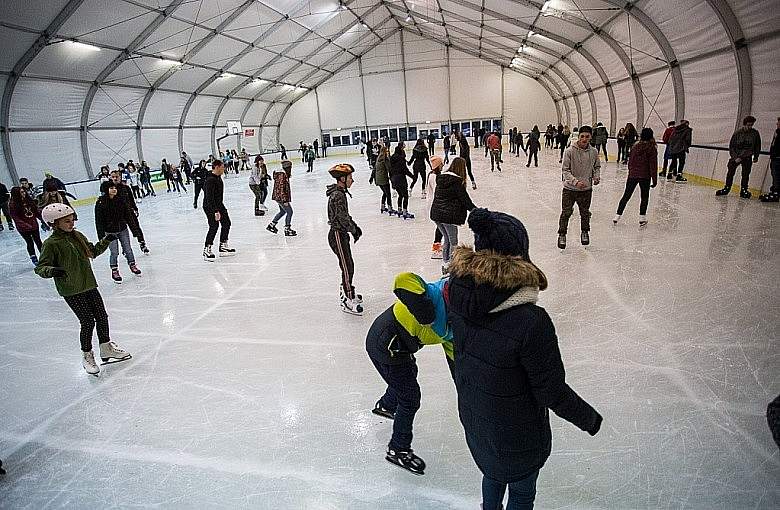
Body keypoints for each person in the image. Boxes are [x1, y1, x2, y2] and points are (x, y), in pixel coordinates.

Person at [446, 208, 602, 510]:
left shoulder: (460, 299)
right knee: (521, 492)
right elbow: (551, 391)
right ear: (520, 257)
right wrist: (589, 419)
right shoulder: (531, 322)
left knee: (491, 474)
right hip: (519, 438)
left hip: (478, 424)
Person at [366, 272, 454, 476]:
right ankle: (398, 449)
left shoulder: (455, 324)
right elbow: (403, 279)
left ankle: (386, 405)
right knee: (410, 397)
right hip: (385, 344)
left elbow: (454, 354)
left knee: (407, 377)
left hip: (398, 345)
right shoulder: (435, 294)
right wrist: (425, 313)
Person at [35, 203, 131, 376]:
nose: (71, 224)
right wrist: (52, 271)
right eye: (66, 221)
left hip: (89, 285)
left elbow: (92, 252)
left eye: (72, 220)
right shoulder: (51, 244)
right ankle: (87, 355)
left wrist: (106, 241)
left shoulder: (77, 236)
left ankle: (106, 347)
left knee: (102, 316)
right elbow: (41, 268)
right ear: (54, 223)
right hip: (71, 289)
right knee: (87, 321)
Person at [327, 163, 363, 315]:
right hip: (337, 234)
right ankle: (347, 297)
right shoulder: (338, 195)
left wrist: (354, 226)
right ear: (342, 178)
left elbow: (344, 216)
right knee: (346, 266)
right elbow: (342, 218)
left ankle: (349, 290)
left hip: (341, 234)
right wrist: (353, 229)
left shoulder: (340, 193)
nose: (352, 181)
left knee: (349, 264)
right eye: (350, 177)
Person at [430, 157, 476, 275]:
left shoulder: (442, 178)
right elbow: (466, 201)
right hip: (448, 216)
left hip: (436, 214)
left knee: (447, 240)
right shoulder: (456, 182)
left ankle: (445, 264)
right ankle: (451, 267)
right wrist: (476, 211)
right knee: (453, 242)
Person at [557, 125, 601, 249]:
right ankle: (562, 234)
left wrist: (596, 177)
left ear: (591, 137)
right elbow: (565, 170)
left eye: (587, 137)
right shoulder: (569, 151)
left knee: (585, 213)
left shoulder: (594, 152)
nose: (584, 139)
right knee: (566, 212)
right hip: (569, 189)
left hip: (586, 190)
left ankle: (585, 232)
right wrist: (575, 182)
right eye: (582, 136)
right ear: (578, 137)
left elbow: (597, 167)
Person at [95, 182, 142, 283]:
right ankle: (114, 270)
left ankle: (132, 265)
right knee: (114, 252)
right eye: (111, 188)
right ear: (105, 190)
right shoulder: (100, 203)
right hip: (109, 232)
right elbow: (99, 221)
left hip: (122, 229)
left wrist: (134, 230)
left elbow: (128, 216)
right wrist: (102, 237)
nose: (114, 190)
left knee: (128, 249)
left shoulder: (120, 200)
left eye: (114, 188)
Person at [614, 128, 658, 226]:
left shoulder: (635, 146)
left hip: (633, 175)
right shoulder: (652, 148)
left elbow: (631, 161)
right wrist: (654, 179)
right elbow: (653, 165)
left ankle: (617, 215)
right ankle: (642, 218)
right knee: (644, 197)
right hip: (645, 176)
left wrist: (631, 172)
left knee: (626, 196)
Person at [103, 170, 149, 255]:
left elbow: (131, 199)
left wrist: (135, 209)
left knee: (136, 227)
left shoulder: (126, 188)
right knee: (122, 232)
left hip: (129, 212)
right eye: (113, 177)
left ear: (120, 177)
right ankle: (125, 248)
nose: (115, 178)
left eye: (117, 176)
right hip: (118, 215)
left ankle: (142, 243)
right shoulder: (109, 189)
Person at [717, 115, 762, 198]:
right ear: (744, 124)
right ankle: (727, 187)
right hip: (736, 157)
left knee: (745, 174)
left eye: (751, 125)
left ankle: (744, 189)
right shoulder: (737, 133)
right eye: (748, 125)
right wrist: (735, 157)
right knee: (730, 172)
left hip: (747, 157)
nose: (749, 127)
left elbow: (757, 146)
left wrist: (756, 156)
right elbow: (731, 146)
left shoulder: (755, 133)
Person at [201, 160, 235, 260]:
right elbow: (209, 197)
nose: (224, 168)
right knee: (214, 226)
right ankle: (207, 249)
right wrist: (215, 211)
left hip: (219, 205)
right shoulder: (210, 180)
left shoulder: (218, 178)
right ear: (216, 167)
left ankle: (223, 246)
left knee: (226, 223)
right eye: (222, 167)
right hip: (209, 206)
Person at [9, 186, 42, 265]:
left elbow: (36, 211)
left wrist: (42, 220)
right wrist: (25, 225)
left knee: (38, 241)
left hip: (33, 225)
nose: (24, 193)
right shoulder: (13, 204)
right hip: (23, 228)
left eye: (24, 192)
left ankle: (45, 256)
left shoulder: (29, 200)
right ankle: (33, 257)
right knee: (29, 242)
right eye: (21, 192)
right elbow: (15, 218)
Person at [266, 160, 296, 236]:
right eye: (290, 167)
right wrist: (285, 200)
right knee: (289, 212)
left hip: (278, 196)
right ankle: (287, 229)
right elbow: (281, 188)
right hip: (281, 197)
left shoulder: (281, 174)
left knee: (283, 211)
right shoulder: (282, 175)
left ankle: (271, 225)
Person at [425, 156, 445, 259]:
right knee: (440, 226)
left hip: (434, 204)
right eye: (441, 164)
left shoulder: (432, 175)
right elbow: (439, 191)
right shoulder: (435, 177)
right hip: (435, 204)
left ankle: (437, 246)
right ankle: (435, 248)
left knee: (440, 226)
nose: (443, 165)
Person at [389, 143, 415, 219]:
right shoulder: (401, 159)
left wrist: (391, 180)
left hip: (394, 179)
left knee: (400, 195)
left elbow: (390, 170)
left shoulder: (392, 159)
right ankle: (404, 211)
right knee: (405, 196)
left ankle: (399, 210)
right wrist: (412, 176)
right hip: (401, 179)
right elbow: (405, 170)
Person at [759, 117, 780, 202]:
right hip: (774, 158)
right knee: (774, 175)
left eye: (778, 123)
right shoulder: (777, 132)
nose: (777, 124)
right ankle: (774, 190)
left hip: (778, 158)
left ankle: (776, 193)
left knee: (777, 176)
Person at [370, 145, 393, 214]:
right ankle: (390, 208)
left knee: (384, 193)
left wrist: (371, 177)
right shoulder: (385, 159)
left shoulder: (378, 158)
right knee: (388, 194)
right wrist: (392, 176)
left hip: (378, 179)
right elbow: (389, 168)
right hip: (383, 179)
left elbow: (374, 169)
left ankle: (382, 206)